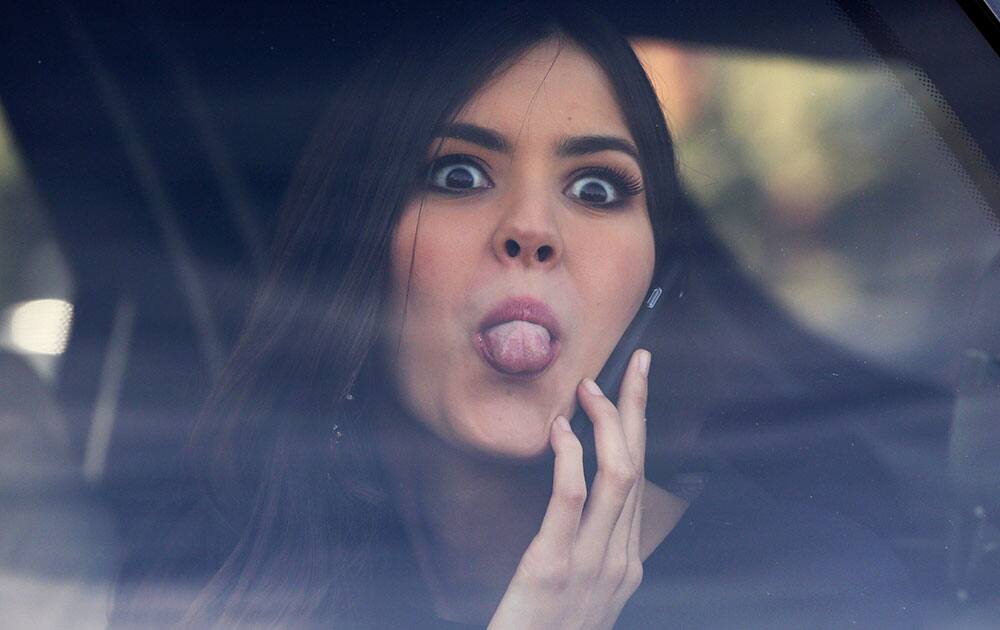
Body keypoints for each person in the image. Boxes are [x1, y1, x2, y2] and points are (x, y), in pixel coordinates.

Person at [111, 2, 919, 627]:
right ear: (358, 250)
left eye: (597, 189)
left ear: (654, 286)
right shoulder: (223, 586)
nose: (530, 230)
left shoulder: (809, 590)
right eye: (458, 175)